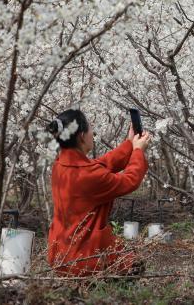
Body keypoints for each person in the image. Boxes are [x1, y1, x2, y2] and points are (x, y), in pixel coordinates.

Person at [46, 109, 151, 275]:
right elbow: (129, 180)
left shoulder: (60, 165)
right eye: (89, 128)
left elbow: (101, 165)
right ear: (81, 135)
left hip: (60, 253)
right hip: (85, 257)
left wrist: (130, 144)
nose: (92, 133)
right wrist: (138, 151)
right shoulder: (89, 175)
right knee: (135, 264)